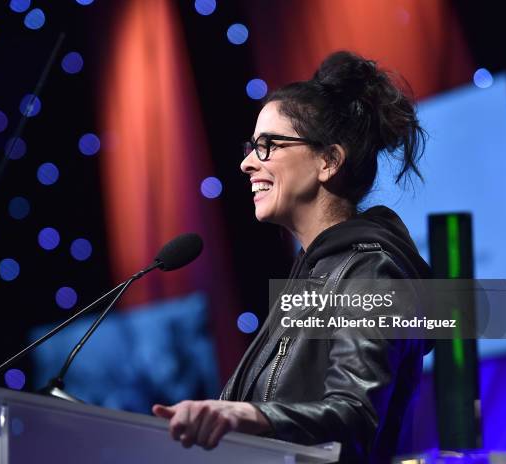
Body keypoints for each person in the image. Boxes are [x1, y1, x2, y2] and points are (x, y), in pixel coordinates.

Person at [153, 50, 431, 463]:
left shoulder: (373, 270)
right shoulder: (312, 275)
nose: (247, 163)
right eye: (252, 146)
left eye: (269, 145)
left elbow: (356, 416)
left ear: (329, 161)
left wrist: (250, 415)